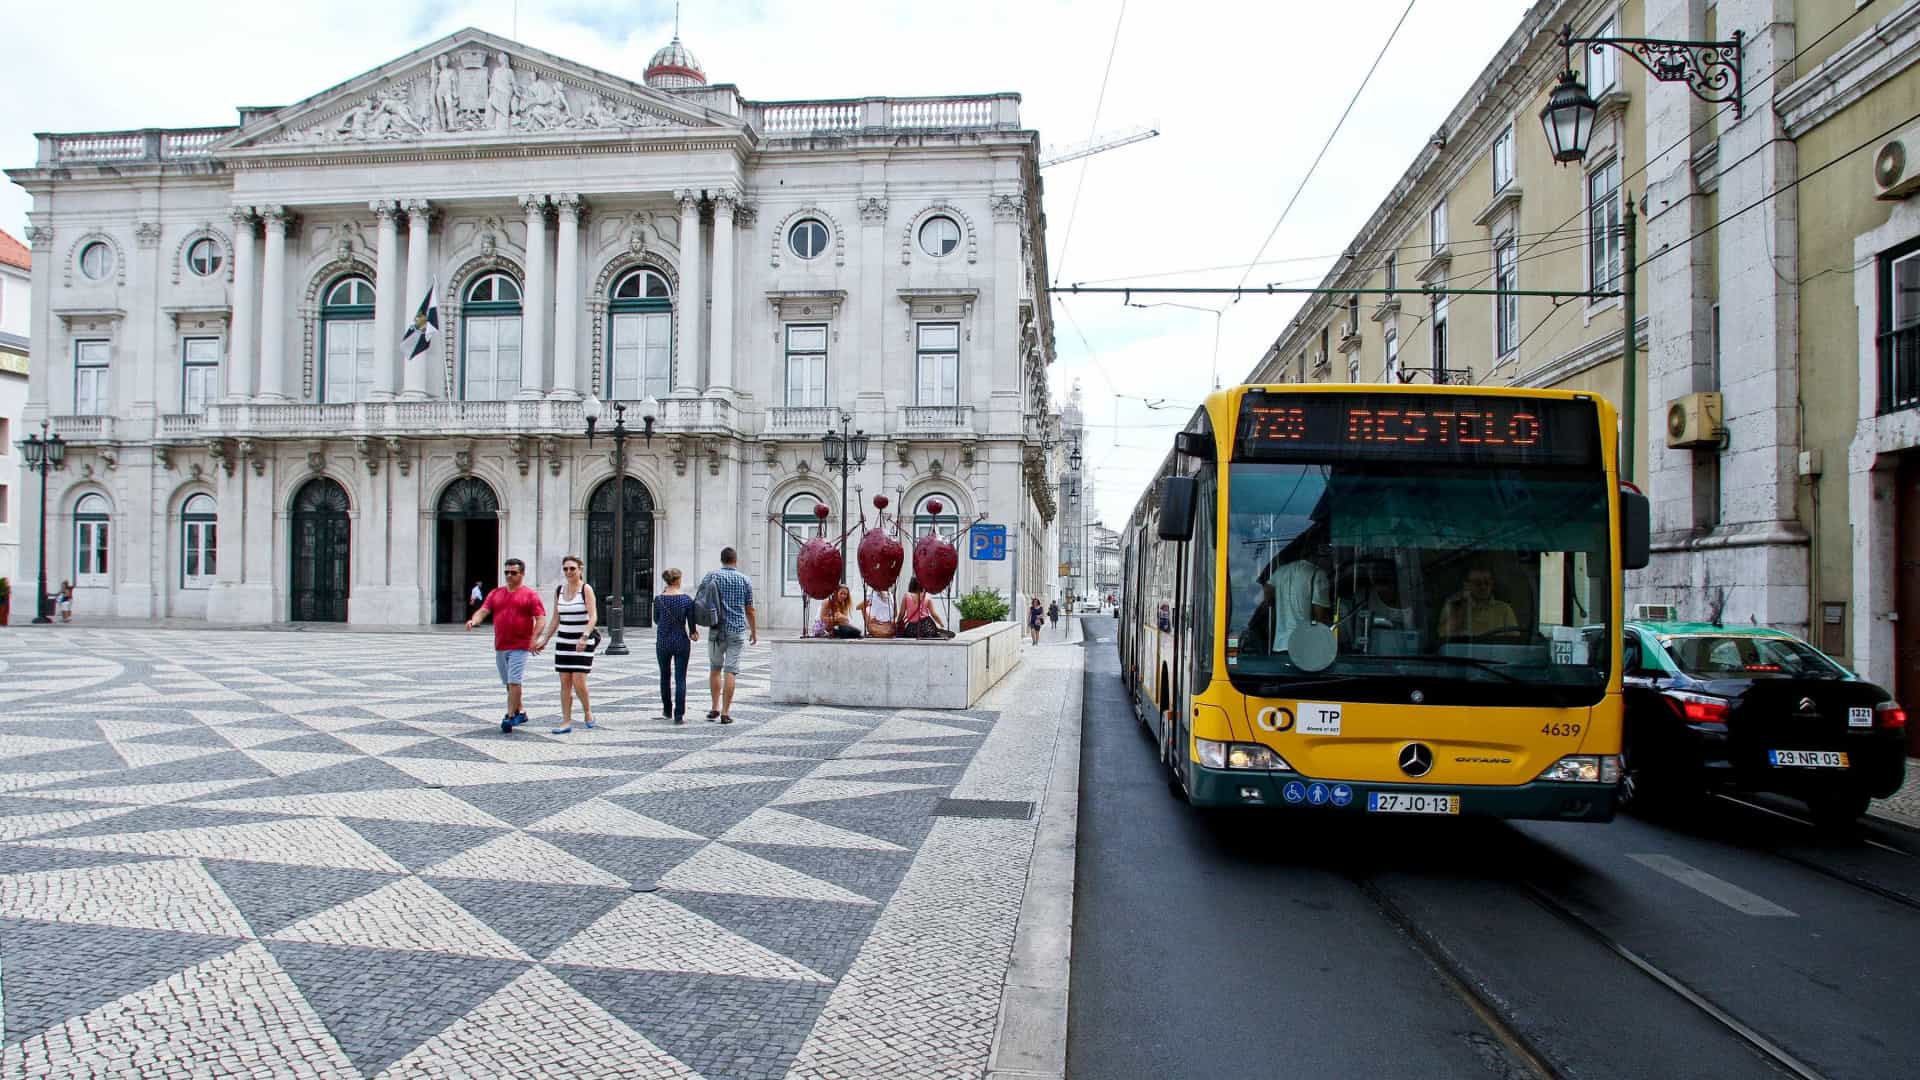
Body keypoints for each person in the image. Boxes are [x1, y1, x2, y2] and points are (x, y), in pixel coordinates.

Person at [466, 558, 546, 733]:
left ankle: (510, 716)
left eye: (514, 573)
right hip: (501, 645)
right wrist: (474, 620)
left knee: (514, 681)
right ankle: (521, 711)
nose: (509, 576)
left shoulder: (530, 595)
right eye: (507, 572)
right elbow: (484, 610)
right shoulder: (496, 593)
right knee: (509, 684)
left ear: (522, 574)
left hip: (520, 645)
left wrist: (534, 638)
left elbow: (541, 618)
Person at [533, 555, 598, 734]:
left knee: (579, 680)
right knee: (565, 682)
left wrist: (584, 637)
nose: (568, 572)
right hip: (564, 641)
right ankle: (566, 721)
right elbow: (556, 618)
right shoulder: (559, 590)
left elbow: (593, 617)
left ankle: (587, 711)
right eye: (566, 569)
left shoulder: (586, 589)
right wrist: (544, 639)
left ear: (580, 569)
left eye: (572, 569)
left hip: (583, 641)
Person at [698, 547, 757, 725]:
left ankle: (714, 707)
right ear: (735, 560)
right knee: (731, 670)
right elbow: (750, 609)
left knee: (715, 668)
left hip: (716, 629)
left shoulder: (711, 576)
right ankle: (725, 712)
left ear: (722, 559)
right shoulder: (744, 579)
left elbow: (700, 600)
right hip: (737, 629)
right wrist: (754, 631)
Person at [1263, 547, 1332, 654]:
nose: (1329, 562)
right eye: (1327, 557)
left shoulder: (1281, 571)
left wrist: (1271, 604)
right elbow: (1320, 617)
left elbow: (1267, 588)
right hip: (1304, 646)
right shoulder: (1317, 574)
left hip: (1280, 644)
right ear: (1316, 556)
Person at [653, 568, 698, 725]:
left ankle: (667, 710)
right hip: (681, 641)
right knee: (681, 678)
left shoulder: (658, 599)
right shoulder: (686, 600)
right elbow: (691, 624)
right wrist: (693, 633)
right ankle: (679, 715)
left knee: (665, 676)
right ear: (678, 580)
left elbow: (656, 620)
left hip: (663, 641)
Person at [1439, 565, 1519, 638]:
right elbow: (1443, 636)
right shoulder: (1453, 605)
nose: (1483, 587)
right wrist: (1462, 606)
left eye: (1487, 583)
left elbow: (1514, 642)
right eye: (1478, 583)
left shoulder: (1504, 609)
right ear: (1467, 585)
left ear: (1492, 584)